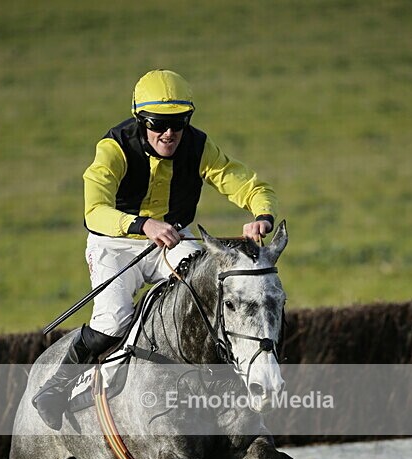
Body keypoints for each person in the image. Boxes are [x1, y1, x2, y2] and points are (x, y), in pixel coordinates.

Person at [33, 69, 278, 429]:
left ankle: (229, 383)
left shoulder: (198, 145)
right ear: (140, 120)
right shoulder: (114, 147)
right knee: (113, 321)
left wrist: (262, 215)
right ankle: (55, 388)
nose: (169, 133)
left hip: (174, 240)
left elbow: (245, 183)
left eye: (178, 123)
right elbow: (94, 210)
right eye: (158, 124)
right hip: (115, 244)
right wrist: (141, 224)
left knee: (212, 293)